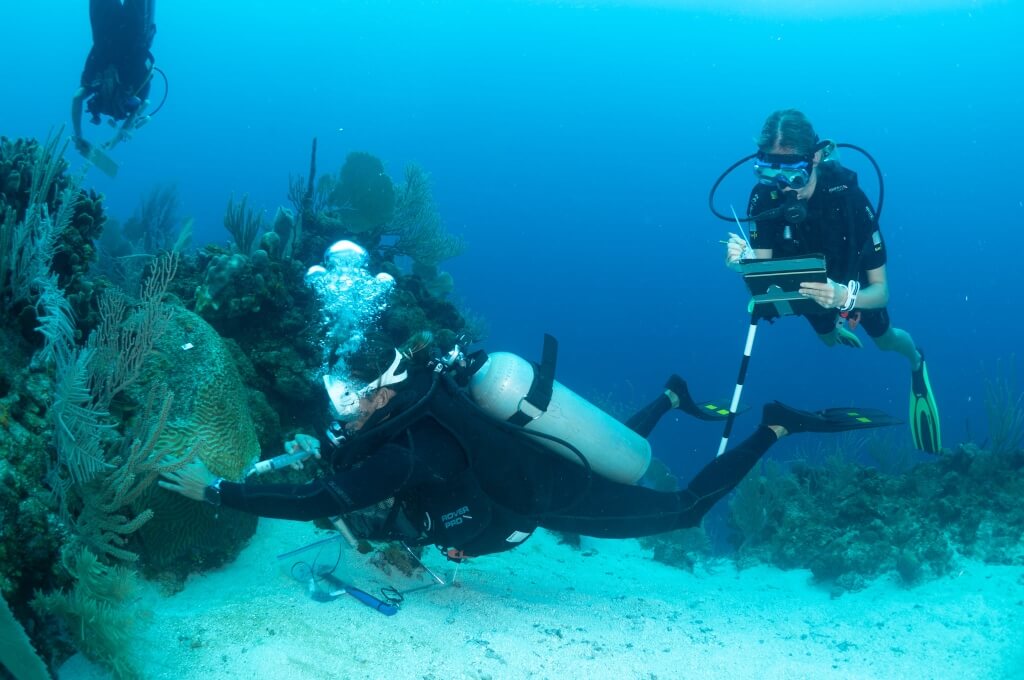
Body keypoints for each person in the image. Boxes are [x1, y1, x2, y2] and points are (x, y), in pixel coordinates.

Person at [159, 338, 897, 560]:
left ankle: (776, 425)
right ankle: (671, 399)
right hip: (529, 466)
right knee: (614, 450)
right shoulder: (420, 407)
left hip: (549, 494)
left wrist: (217, 492)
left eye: (350, 400)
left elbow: (326, 498)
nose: (341, 414)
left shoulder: (403, 447)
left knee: (682, 510)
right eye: (336, 401)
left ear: (382, 391)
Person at [723, 109, 941, 453]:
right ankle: (832, 329)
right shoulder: (763, 197)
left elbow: (881, 292)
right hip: (808, 291)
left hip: (851, 289)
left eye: (793, 174)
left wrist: (845, 298)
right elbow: (762, 283)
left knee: (885, 341)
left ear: (815, 157)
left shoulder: (849, 199)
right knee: (828, 339)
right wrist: (743, 267)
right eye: (770, 172)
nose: (783, 186)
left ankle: (916, 361)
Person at [71, 0, 157, 156]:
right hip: (113, 32)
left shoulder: (96, 80)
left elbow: (140, 108)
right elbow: (140, 107)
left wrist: (80, 137)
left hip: (119, 33)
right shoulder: (128, 88)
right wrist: (79, 137)